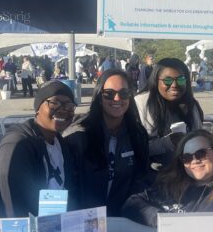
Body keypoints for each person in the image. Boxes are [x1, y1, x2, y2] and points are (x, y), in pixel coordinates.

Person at [0, 81, 78, 217]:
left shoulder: (59, 143)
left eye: (69, 106)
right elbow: (13, 205)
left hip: (51, 224)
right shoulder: (16, 144)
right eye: (54, 103)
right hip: (17, 230)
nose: (62, 110)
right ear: (38, 107)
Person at [64, 70, 150, 216]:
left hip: (123, 221)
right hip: (84, 221)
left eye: (124, 93)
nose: (117, 99)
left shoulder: (137, 134)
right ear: (99, 97)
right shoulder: (78, 136)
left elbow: (141, 178)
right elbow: (68, 185)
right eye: (109, 94)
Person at [134, 57, 204, 166]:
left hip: (187, 172)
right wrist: (168, 143)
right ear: (156, 81)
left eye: (180, 79)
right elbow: (134, 149)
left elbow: (199, 138)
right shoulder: (141, 103)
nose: (174, 85)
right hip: (151, 175)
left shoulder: (191, 105)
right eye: (168, 80)